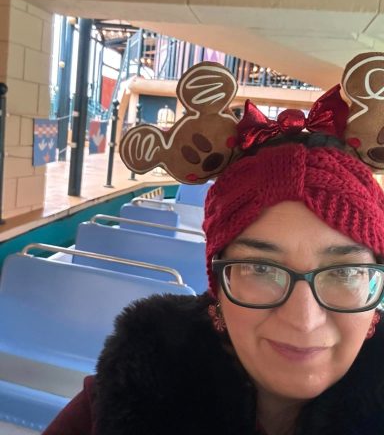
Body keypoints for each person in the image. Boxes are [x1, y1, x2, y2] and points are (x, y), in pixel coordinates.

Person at [42, 64, 384, 434]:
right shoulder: (112, 406)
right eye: (261, 269)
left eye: (344, 272)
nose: (303, 319)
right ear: (218, 289)